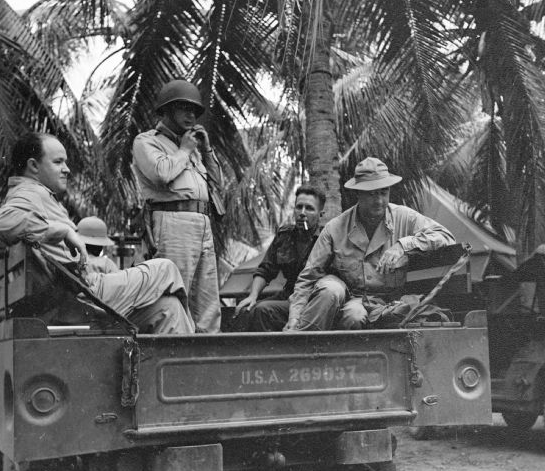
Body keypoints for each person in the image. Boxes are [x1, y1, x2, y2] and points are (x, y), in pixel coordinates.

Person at [0, 132, 194, 334]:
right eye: (58, 162)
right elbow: (3, 223)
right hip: (83, 297)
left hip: (74, 298)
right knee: (166, 269)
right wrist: (60, 231)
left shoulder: (31, 194)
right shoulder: (28, 193)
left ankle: (184, 363)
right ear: (33, 166)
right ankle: (198, 350)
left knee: (169, 308)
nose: (67, 169)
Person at [285, 157, 456, 331]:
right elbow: (308, 278)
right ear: (358, 194)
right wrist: (294, 317)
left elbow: (445, 236)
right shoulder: (335, 228)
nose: (379, 200)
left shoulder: (404, 217)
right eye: (372, 193)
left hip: (389, 301)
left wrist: (404, 246)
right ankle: (301, 345)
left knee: (355, 315)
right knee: (334, 294)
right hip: (350, 298)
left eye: (383, 192)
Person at [131, 79, 224, 333]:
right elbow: (160, 174)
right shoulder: (147, 141)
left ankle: (206, 359)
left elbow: (217, 186)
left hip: (201, 221)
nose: (191, 114)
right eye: (183, 108)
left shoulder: (193, 147)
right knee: (174, 294)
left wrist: (206, 151)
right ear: (167, 110)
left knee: (207, 303)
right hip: (172, 221)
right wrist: (184, 150)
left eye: (194, 110)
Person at [234, 186, 325, 331]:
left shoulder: (326, 239)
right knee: (245, 312)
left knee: (263, 311)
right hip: (287, 295)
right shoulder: (285, 236)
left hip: (312, 301)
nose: (302, 213)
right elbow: (265, 269)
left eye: (309, 208)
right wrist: (253, 295)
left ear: (321, 214)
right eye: (299, 207)